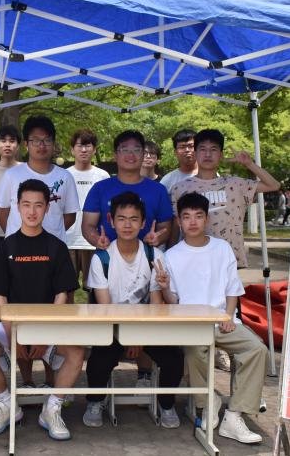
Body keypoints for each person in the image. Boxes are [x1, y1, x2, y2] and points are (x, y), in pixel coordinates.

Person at [0, 179, 84, 440]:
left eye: (38, 205)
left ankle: (52, 409)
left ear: (47, 208)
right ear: (17, 207)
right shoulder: (6, 247)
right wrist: (14, 335)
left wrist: (43, 334)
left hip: (48, 326)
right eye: (26, 205)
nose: (32, 211)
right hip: (9, 326)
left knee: (77, 353)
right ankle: (7, 406)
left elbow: (62, 295)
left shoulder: (56, 247)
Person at [161, 192, 268, 444]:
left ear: (206, 219)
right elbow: (173, 301)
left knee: (257, 349)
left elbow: (232, 289)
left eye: (198, 216)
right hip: (191, 325)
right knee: (194, 352)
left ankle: (234, 414)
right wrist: (164, 287)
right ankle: (208, 402)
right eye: (187, 216)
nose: (193, 222)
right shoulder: (171, 256)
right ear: (179, 221)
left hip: (223, 320)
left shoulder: (222, 249)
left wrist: (228, 315)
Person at [82, 192, 183, 429]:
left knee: (174, 358)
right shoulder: (102, 258)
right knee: (98, 361)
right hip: (113, 328)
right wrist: (127, 336)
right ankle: (95, 401)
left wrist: (139, 336)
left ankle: (166, 404)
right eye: (121, 218)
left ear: (143, 222)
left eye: (134, 219)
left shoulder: (154, 256)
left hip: (146, 328)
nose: (127, 225)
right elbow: (105, 309)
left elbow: (156, 304)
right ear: (111, 220)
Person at [169, 129, 280, 269]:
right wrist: (170, 255)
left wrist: (249, 164)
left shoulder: (236, 184)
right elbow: (176, 226)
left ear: (221, 155)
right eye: (202, 149)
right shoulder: (180, 188)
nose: (208, 154)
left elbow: (274, 185)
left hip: (230, 260)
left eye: (213, 149)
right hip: (193, 261)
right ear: (195, 153)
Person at [81, 129, 172, 250]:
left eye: (136, 150)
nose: (131, 155)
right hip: (107, 256)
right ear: (115, 155)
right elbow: (88, 225)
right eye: (124, 150)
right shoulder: (99, 189)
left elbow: (165, 227)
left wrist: (158, 238)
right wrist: (97, 239)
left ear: (143, 155)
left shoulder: (159, 190)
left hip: (146, 256)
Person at [0, 115, 79, 241]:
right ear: (26, 144)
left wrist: (51, 235)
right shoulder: (11, 175)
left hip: (53, 247)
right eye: (35, 140)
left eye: (47, 140)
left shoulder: (65, 177)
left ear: (53, 144)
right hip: (18, 246)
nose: (41, 145)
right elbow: (2, 212)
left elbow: (70, 216)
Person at [66, 129, 110, 290]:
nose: (84, 150)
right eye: (79, 146)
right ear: (72, 150)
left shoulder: (103, 176)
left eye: (88, 146)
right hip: (68, 240)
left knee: (95, 289)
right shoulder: (64, 175)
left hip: (94, 240)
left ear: (95, 149)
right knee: (66, 289)